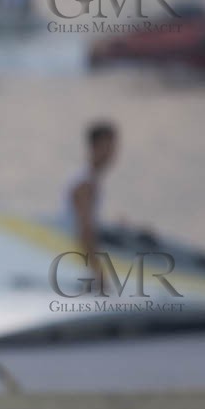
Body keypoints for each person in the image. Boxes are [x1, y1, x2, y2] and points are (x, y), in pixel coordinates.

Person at [67, 121, 118, 291]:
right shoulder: (85, 184)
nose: (112, 153)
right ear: (94, 147)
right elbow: (85, 230)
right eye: (108, 147)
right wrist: (99, 273)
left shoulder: (90, 180)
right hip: (77, 266)